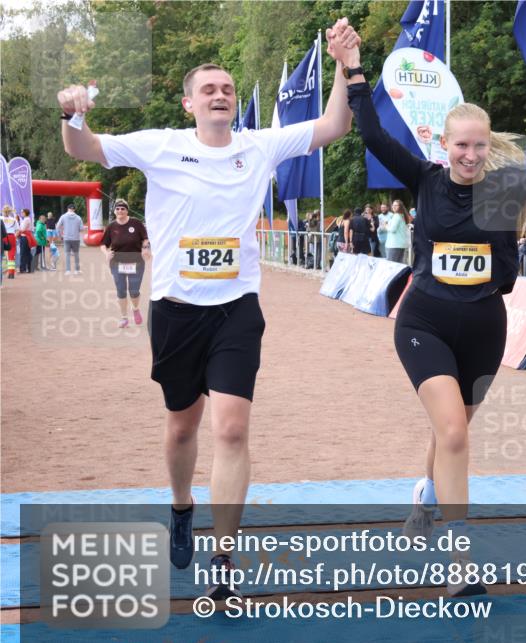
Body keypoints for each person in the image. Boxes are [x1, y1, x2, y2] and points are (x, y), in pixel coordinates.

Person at [57, 20, 356, 600]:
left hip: (236, 308)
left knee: (233, 427)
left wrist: (345, 67)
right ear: (190, 102)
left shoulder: (258, 146)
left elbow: (333, 125)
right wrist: (73, 115)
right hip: (176, 310)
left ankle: (224, 559)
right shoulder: (162, 145)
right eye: (209, 89)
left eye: (226, 87)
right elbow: (85, 149)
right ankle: (180, 505)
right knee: (181, 426)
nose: (220, 94)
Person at [332, 27, 526, 597]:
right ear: (444, 144)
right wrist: (354, 71)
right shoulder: (424, 179)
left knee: (451, 431)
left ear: (490, 146)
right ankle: (458, 561)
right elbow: (370, 132)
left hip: (486, 326)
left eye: (479, 145)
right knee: (457, 434)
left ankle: (426, 496)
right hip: (426, 322)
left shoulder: (508, 188)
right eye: (460, 145)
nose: (469, 155)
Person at [101, 199, 150, 327]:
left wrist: (145, 248)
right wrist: (106, 253)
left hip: (136, 261)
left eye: (122, 208)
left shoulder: (136, 223)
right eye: (117, 209)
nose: (120, 211)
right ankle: (124, 317)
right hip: (117, 262)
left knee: (134, 291)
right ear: (114, 211)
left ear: (127, 210)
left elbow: (145, 239)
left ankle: (135, 308)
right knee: (121, 290)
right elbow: (103, 244)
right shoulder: (111, 226)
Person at [55, 204, 83, 274]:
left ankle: (68, 270)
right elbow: (81, 229)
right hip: (76, 238)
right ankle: (77, 270)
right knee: (76, 254)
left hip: (66, 238)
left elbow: (57, 226)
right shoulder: (78, 217)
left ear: (68, 209)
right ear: (74, 209)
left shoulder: (63, 216)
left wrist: (60, 235)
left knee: (67, 254)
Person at [383, 199, 410, 264]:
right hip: (400, 245)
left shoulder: (397, 216)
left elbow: (392, 229)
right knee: (399, 266)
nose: (394, 207)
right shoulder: (402, 216)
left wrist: (385, 225)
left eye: (396, 205)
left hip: (394, 245)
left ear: (400, 207)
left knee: (392, 266)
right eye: (393, 205)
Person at [18, 209, 35, 274]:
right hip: (26, 237)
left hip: (25, 237)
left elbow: (22, 229)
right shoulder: (26, 219)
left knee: (23, 253)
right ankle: (30, 268)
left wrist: (18, 232)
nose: (21, 213)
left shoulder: (26, 219)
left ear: (25, 213)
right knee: (27, 253)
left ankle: (23, 269)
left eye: (22, 212)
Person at [2, 206, 17, 279]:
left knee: (1, 255)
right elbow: (17, 230)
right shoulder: (14, 219)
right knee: (11, 256)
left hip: (2, 237)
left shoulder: (0, 218)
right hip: (11, 236)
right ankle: (11, 273)